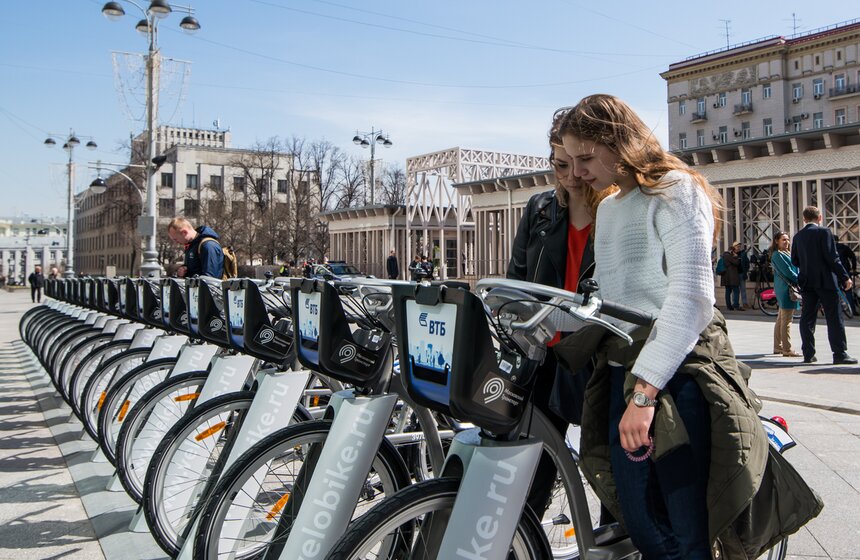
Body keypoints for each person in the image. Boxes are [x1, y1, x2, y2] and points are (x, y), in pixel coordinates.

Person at [558, 94, 791, 559]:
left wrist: (645, 394)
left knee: (685, 533)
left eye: (585, 157)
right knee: (642, 523)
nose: (578, 171)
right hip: (625, 367)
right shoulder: (608, 208)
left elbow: (691, 297)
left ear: (618, 141)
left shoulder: (676, 189)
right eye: (572, 159)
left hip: (678, 372)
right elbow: (607, 297)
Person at [507, 106, 612, 518]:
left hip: (594, 354)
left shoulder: (614, 208)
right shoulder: (540, 209)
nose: (569, 175)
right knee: (533, 468)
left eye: (578, 163)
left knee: (607, 470)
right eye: (559, 164)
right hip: (545, 354)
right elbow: (517, 278)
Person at [791, 206, 856, 365]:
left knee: (807, 318)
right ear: (819, 218)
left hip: (807, 282)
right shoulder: (824, 232)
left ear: (804, 219)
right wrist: (845, 277)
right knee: (834, 317)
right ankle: (839, 353)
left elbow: (795, 261)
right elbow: (832, 258)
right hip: (826, 281)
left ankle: (808, 354)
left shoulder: (798, 237)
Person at [769, 232, 801, 357]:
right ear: (776, 241)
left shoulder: (786, 253)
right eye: (783, 240)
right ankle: (787, 349)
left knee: (781, 319)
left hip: (785, 288)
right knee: (787, 320)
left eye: (788, 240)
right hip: (786, 289)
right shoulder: (777, 255)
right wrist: (801, 280)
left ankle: (778, 346)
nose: (787, 242)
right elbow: (787, 272)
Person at [836, 241, 857, 315]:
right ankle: (852, 310)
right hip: (845, 272)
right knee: (848, 291)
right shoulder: (844, 247)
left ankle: (839, 310)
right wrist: (853, 268)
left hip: (834, 273)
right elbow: (853, 257)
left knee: (835, 292)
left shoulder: (829, 247)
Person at [721, 242, 742, 310]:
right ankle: (735, 305)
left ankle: (729, 306)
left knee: (728, 291)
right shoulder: (729, 256)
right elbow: (736, 263)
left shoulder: (724, 255)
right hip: (732, 277)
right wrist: (736, 257)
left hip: (726, 277)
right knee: (736, 290)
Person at [738, 243, 750, 309]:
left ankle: (744, 303)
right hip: (734, 275)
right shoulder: (732, 254)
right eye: (737, 246)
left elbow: (747, 263)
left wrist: (746, 270)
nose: (738, 247)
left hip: (742, 273)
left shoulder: (743, 254)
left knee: (743, 289)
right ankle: (735, 303)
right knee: (735, 290)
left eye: (739, 246)